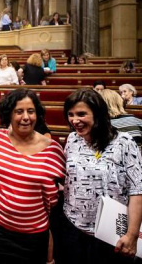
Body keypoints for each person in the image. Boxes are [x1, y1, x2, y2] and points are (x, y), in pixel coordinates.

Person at [0, 88, 66, 263]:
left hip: (33, 237)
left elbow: (58, 196)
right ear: (9, 115)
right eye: (19, 111)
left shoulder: (53, 149)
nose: (26, 117)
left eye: (31, 111)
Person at [60, 88, 142, 263]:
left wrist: (132, 235)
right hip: (73, 228)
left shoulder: (124, 142)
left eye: (82, 114)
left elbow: (137, 190)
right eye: (70, 114)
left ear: (98, 114)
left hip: (111, 232)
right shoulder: (73, 139)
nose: (75, 120)